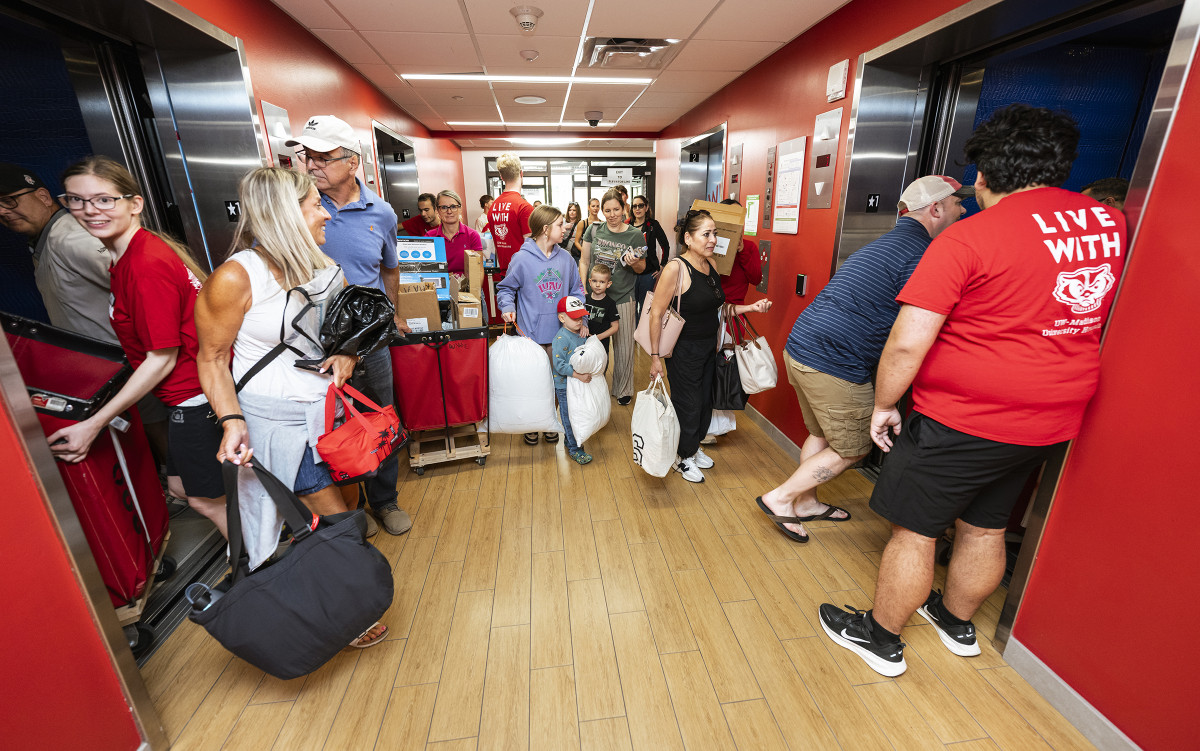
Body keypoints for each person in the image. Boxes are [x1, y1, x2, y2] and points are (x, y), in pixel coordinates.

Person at [818, 104, 1127, 677]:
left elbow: (907, 343)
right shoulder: (1109, 224)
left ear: (984, 174)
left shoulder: (969, 238)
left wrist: (884, 405)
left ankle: (880, 638)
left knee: (914, 530)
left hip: (963, 418)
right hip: (1050, 418)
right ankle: (955, 621)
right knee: (987, 524)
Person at [196, 166, 387, 649]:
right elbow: (211, 358)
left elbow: (346, 332)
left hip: (327, 414)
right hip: (274, 423)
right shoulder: (235, 278)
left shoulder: (324, 266)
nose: (327, 214)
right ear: (286, 213)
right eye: (316, 205)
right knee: (331, 520)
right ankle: (347, 612)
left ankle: (331, 595)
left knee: (347, 509)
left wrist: (347, 355)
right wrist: (231, 421)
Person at [756, 175, 970, 543]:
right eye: (957, 203)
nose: (963, 210)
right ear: (935, 209)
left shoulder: (883, 243)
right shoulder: (922, 255)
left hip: (802, 347)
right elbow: (916, 328)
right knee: (854, 448)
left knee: (821, 433)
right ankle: (782, 498)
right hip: (834, 362)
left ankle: (806, 503)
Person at [49, 156, 226, 537]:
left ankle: (261, 563)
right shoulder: (128, 255)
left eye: (104, 200)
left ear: (134, 204)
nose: (89, 210)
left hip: (194, 397)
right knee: (181, 488)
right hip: (187, 394)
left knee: (206, 500)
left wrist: (94, 424)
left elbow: (162, 359)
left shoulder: (145, 264)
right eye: (76, 200)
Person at [286, 115, 411, 537]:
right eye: (308, 157)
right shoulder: (297, 209)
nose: (312, 165)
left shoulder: (382, 212)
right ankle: (347, 509)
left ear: (352, 162)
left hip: (369, 341)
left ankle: (385, 499)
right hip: (312, 346)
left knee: (379, 416)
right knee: (329, 428)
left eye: (323, 157)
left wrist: (392, 313)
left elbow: (389, 269)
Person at [0, 163, 172, 467]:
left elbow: (146, 279)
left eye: (9, 200)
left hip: (133, 366)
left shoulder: (70, 239)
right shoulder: (48, 239)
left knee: (164, 441)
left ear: (43, 196)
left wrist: (160, 347)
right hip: (114, 371)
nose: (3, 211)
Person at [646, 209, 771, 483]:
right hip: (683, 349)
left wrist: (750, 307)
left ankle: (692, 447)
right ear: (688, 238)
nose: (713, 239)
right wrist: (655, 357)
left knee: (704, 402)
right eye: (706, 234)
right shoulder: (676, 268)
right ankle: (682, 457)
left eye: (715, 233)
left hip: (709, 347)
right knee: (688, 404)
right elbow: (656, 314)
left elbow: (719, 307)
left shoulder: (711, 265)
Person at [496, 204, 585, 446]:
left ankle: (548, 421)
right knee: (532, 383)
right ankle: (532, 423)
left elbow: (577, 290)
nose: (565, 228)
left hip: (560, 334)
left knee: (557, 382)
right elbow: (506, 288)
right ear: (545, 229)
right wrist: (507, 307)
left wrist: (581, 318)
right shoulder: (521, 259)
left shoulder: (566, 259)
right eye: (560, 224)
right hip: (530, 335)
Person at [580, 188, 646, 406]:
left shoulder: (634, 235)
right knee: (594, 342)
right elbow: (584, 261)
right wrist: (583, 290)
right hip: (595, 297)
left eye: (616, 209)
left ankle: (623, 389)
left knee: (624, 346)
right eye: (607, 210)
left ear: (624, 208)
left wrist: (635, 263)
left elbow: (641, 268)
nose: (612, 215)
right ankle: (592, 385)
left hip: (623, 296)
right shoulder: (594, 230)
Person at [550, 296, 594, 465]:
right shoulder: (561, 339)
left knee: (578, 414)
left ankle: (570, 441)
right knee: (569, 417)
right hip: (564, 386)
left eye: (581, 317)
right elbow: (559, 365)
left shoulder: (580, 333)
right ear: (562, 318)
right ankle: (575, 449)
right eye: (574, 318)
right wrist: (578, 375)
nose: (579, 321)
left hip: (577, 384)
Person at [488, 153, 533, 271]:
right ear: (521, 173)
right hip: (523, 272)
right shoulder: (524, 207)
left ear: (501, 177)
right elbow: (531, 248)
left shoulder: (493, 207)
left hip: (505, 272)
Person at [629, 194, 670, 321]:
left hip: (648, 273)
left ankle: (642, 331)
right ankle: (633, 331)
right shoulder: (627, 224)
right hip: (630, 273)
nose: (637, 209)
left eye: (640, 205)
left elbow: (665, 246)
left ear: (646, 208)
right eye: (634, 206)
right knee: (631, 306)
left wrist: (662, 266)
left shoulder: (653, 225)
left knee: (644, 306)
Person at [718, 199, 763, 305]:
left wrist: (742, 251)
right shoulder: (709, 244)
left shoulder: (749, 247)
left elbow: (756, 280)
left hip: (735, 309)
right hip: (709, 308)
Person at [429, 189, 482, 275]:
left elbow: (478, 270)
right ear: (438, 210)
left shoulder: (472, 235)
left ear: (460, 209)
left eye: (453, 207)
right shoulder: (429, 237)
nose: (449, 211)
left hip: (467, 283)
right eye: (444, 207)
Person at [584, 264, 619, 356]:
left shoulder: (610, 303)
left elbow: (615, 327)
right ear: (589, 281)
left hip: (601, 346)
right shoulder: (584, 299)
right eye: (594, 281)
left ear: (608, 284)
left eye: (602, 282)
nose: (597, 285)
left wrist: (597, 337)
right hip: (583, 344)